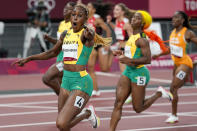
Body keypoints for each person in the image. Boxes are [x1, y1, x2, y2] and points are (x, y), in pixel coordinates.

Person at [13, 4, 111, 130]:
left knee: (62, 123)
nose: (75, 18)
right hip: (66, 81)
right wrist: (29, 58)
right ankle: (86, 113)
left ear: (85, 19)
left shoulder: (85, 34)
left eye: (79, 16)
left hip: (81, 82)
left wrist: (91, 31)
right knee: (63, 125)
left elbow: (91, 34)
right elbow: (52, 53)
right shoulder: (65, 34)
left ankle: (88, 113)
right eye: (73, 15)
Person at [109, 10, 173, 131]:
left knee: (138, 108)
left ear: (142, 23)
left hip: (139, 73)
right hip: (128, 71)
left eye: (137, 18)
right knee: (118, 103)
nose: (133, 19)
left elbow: (147, 59)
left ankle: (159, 93)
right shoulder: (131, 37)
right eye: (133, 17)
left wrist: (129, 60)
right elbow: (132, 54)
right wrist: (121, 53)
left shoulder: (142, 39)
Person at [152, 11, 197, 123]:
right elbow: (170, 49)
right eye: (172, 17)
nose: (173, 19)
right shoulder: (172, 32)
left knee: (173, 87)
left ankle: (172, 111)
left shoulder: (188, 33)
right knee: (175, 89)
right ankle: (174, 115)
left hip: (185, 63)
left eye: (176, 17)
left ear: (182, 20)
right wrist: (158, 54)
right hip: (176, 64)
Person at [42, 2, 76, 95]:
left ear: (73, 11)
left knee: (48, 78)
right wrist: (49, 39)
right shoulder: (61, 24)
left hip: (69, 57)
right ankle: (68, 103)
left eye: (68, 9)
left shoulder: (75, 24)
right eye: (65, 7)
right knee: (61, 82)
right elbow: (59, 42)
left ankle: (69, 102)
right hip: (60, 55)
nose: (65, 10)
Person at [86, 1, 112, 96]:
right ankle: (95, 90)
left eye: (89, 6)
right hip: (90, 46)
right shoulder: (84, 19)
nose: (87, 8)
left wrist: (107, 45)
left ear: (93, 10)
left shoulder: (97, 20)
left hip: (99, 45)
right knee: (91, 69)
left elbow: (108, 30)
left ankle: (111, 54)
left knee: (104, 69)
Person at [107, 3, 133, 73]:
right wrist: (109, 23)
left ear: (123, 12)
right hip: (121, 49)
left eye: (117, 10)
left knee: (126, 73)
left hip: (127, 49)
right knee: (124, 73)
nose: (114, 11)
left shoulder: (127, 23)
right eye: (114, 9)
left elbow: (133, 38)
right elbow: (117, 28)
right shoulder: (117, 21)